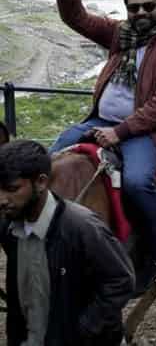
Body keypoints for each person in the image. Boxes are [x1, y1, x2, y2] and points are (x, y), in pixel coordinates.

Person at [48, 0, 156, 294]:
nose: (140, 13)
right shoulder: (119, 35)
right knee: (49, 159)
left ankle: (154, 256)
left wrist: (119, 132)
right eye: (133, 8)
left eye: (147, 7)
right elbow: (77, 18)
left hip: (144, 131)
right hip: (101, 121)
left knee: (139, 183)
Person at [0, 140, 135, 346]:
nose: (2, 199)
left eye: (12, 189)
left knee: (140, 184)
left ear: (41, 182)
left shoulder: (83, 228)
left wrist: (83, 329)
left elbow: (121, 280)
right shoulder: (9, 227)